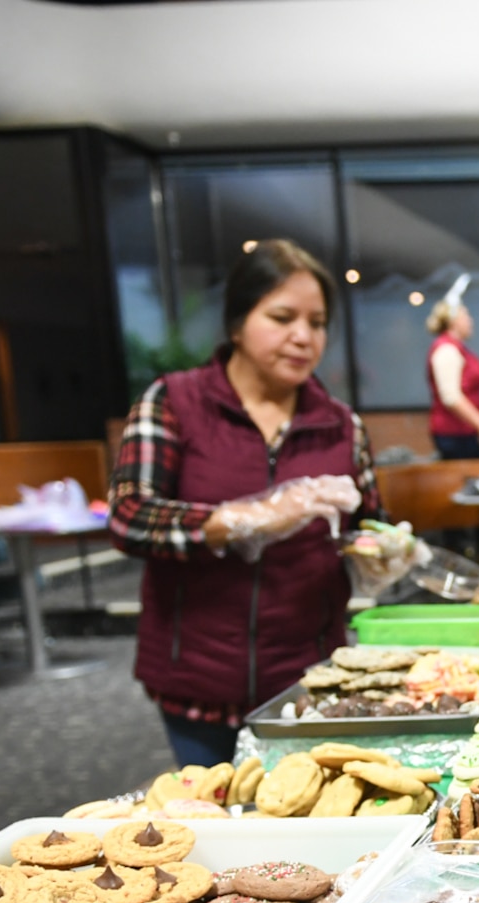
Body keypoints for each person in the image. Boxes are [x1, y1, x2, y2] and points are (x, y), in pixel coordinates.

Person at [109, 239, 380, 767]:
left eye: (317, 322)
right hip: (197, 677)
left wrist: (383, 551)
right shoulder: (172, 402)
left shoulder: (342, 426)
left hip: (310, 678)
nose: (303, 336)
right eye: (282, 317)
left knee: (304, 821)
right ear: (237, 323)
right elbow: (128, 516)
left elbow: (369, 524)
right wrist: (240, 519)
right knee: (210, 818)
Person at [425, 276, 479, 460]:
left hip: (465, 433)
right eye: (466, 315)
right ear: (454, 321)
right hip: (454, 435)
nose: (470, 320)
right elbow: (450, 396)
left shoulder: (459, 349)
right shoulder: (446, 349)